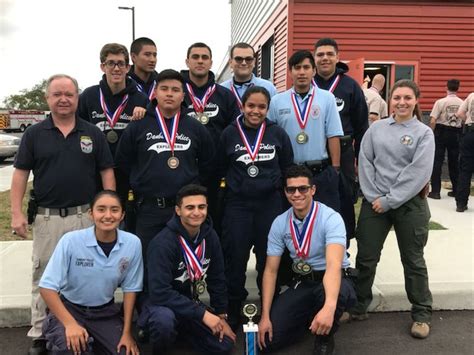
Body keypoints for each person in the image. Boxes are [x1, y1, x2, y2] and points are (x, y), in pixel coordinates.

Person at [10, 74, 115, 355]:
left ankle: (81, 325)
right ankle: (40, 333)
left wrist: (110, 209)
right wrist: (17, 213)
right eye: (57, 94)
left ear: (77, 97)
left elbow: (106, 171)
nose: (63, 99)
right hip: (48, 218)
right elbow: (20, 174)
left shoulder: (92, 132)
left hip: (85, 218)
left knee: (84, 273)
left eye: (69, 94)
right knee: (43, 274)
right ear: (48, 99)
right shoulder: (34, 134)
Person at [352, 80, 435, 339]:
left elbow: (418, 172)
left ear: (416, 101)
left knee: (413, 260)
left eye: (407, 98)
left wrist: (390, 199)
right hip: (375, 202)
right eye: (397, 97)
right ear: (390, 99)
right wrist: (374, 195)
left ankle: (421, 313)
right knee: (365, 257)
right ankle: (358, 306)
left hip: (409, 205)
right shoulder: (376, 129)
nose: (401, 102)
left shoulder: (423, 133)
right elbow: (365, 161)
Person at [115, 69, 215, 260]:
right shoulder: (138, 126)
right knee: (146, 263)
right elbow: (123, 162)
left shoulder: (195, 128)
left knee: (183, 264)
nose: (169, 93)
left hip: (184, 211)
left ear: (183, 95)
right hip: (148, 209)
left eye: (175, 90)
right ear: (155, 93)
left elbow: (209, 165)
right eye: (164, 89)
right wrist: (141, 181)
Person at [257, 165, 356, 355]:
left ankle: (324, 338)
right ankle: (307, 321)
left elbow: (334, 266)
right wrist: (265, 316)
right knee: (269, 341)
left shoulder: (331, 218)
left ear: (313, 190)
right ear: (285, 192)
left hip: (333, 279)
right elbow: (270, 271)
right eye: (290, 189)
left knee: (335, 296)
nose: (296, 194)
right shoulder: (280, 222)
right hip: (303, 282)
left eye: (302, 188)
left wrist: (329, 307)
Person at [217, 86, 294, 329]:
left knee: (268, 260)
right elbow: (219, 169)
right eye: (251, 106)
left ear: (267, 109)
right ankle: (233, 309)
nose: (256, 111)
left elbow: (287, 169)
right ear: (242, 106)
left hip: (268, 207)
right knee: (235, 259)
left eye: (261, 107)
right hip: (237, 207)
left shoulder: (277, 134)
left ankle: (269, 309)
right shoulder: (229, 133)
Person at [39, 190, 143, 355]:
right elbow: (46, 287)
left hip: (105, 313)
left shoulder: (133, 243)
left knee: (125, 352)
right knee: (73, 349)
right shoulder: (70, 241)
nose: (108, 215)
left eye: (114, 210)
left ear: (122, 215)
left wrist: (127, 333)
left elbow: (131, 289)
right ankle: (55, 335)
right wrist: (70, 324)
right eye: (101, 209)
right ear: (90, 214)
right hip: (70, 309)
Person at [139, 184, 236, 354]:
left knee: (225, 343)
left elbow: (217, 278)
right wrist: (204, 315)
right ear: (178, 210)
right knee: (164, 323)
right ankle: (159, 340)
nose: (197, 212)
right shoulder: (162, 243)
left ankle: (183, 333)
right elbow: (160, 293)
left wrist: (220, 315)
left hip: (188, 302)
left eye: (201, 207)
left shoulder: (210, 236)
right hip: (159, 304)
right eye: (190, 207)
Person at [268, 50, 343, 211]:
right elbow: (270, 138)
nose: (301, 72)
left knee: (321, 220)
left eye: (306, 67)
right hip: (289, 173)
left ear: (314, 71)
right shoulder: (276, 101)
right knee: (290, 222)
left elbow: (333, 134)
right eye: (297, 67)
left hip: (319, 173)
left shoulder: (327, 98)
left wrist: (335, 169)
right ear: (290, 72)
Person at [181, 42, 241, 235]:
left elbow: (235, 133)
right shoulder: (177, 93)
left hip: (216, 173)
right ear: (187, 61)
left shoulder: (225, 96)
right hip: (183, 169)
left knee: (215, 223)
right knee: (185, 223)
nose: (200, 61)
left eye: (204, 57)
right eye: (195, 57)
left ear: (211, 62)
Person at [314, 37, 369, 243]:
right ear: (314, 58)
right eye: (320, 54)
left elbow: (362, 126)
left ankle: (341, 253)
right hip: (315, 152)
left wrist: (359, 161)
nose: (325, 58)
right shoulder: (306, 85)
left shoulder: (350, 87)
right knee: (312, 199)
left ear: (337, 57)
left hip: (344, 153)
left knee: (343, 200)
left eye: (330, 54)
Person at [78, 43, 148, 204]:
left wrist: (145, 113)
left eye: (121, 63)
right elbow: (77, 129)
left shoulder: (141, 99)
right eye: (111, 63)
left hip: (128, 173)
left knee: (125, 219)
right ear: (103, 66)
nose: (116, 69)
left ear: (128, 67)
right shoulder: (89, 96)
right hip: (94, 171)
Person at [428, 79, 463, 200]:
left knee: (437, 161)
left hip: (441, 132)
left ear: (446, 87)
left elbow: (433, 120)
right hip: (456, 132)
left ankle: (436, 191)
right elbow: (464, 118)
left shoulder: (440, 102)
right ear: (458, 88)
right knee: (454, 162)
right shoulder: (462, 103)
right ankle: (456, 189)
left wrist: (431, 132)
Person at [220, 42, 278, 110]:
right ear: (230, 62)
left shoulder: (269, 88)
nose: (244, 63)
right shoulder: (221, 90)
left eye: (248, 59)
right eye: (239, 59)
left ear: (254, 62)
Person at [455, 92, 474, 212]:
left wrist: (467, 120)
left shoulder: (471, 96)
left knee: (465, 170)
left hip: (470, 132)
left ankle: (461, 204)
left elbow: (460, 113)